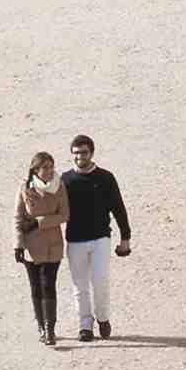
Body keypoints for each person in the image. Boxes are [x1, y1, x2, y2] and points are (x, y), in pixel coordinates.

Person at [59, 133, 131, 341]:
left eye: (83, 152)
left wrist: (125, 237)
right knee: (79, 285)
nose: (79, 157)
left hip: (100, 237)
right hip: (75, 239)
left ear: (91, 153)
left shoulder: (105, 177)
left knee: (100, 280)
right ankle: (85, 326)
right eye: (75, 153)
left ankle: (103, 318)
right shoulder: (65, 180)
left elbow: (118, 207)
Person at [14, 149, 69, 346]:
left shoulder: (59, 186)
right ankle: (40, 325)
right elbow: (18, 218)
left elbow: (64, 215)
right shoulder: (25, 188)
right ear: (35, 169)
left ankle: (49, 329)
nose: (48, 171)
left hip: (52, 244)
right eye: (44, 167)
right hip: (30, 246)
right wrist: (18, 245)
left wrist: (39, 222)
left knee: (48, 285)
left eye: (51, 167)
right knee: (35, 286)